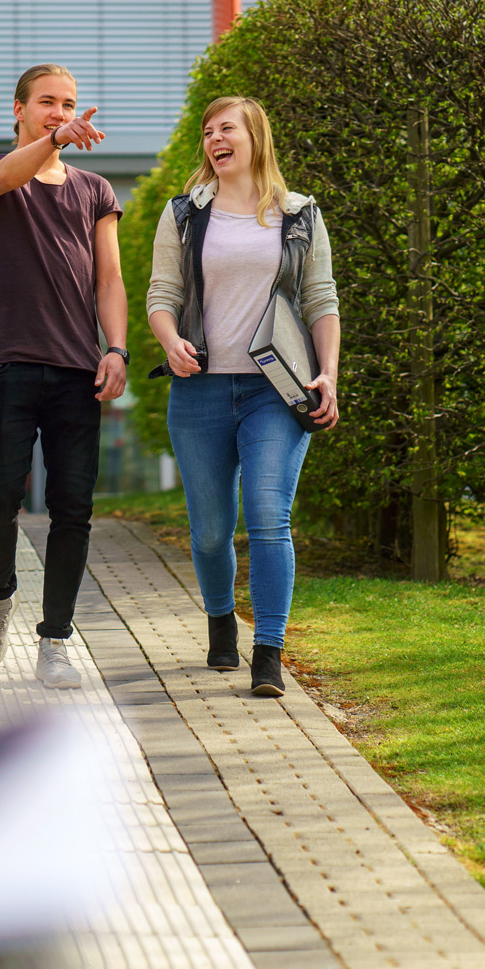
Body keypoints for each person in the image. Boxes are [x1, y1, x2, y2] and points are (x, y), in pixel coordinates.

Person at [147, 96, 340, 697]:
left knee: (266, 516)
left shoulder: (300, 214)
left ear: (255, 135)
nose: (214, 139)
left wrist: (327, 373)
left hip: (274, 392)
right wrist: (172, 340)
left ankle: (269, 652)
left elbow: (320, 300)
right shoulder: (184, 214)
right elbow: (162, 293)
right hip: (199, 391)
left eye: (225, 128)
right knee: (209, 531)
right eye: (208, 132)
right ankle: (220, 620)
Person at [0, 63, 123, 690]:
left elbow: (109, 279)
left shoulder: (95, 190)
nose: (60, 112)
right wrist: (53, 140)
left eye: (69, 104)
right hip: (5, 367)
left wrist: (118, 349)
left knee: (73, 509)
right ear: (20, 110)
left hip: (79, 371)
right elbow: (2, 175)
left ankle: (55, 639)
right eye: (48, 103)